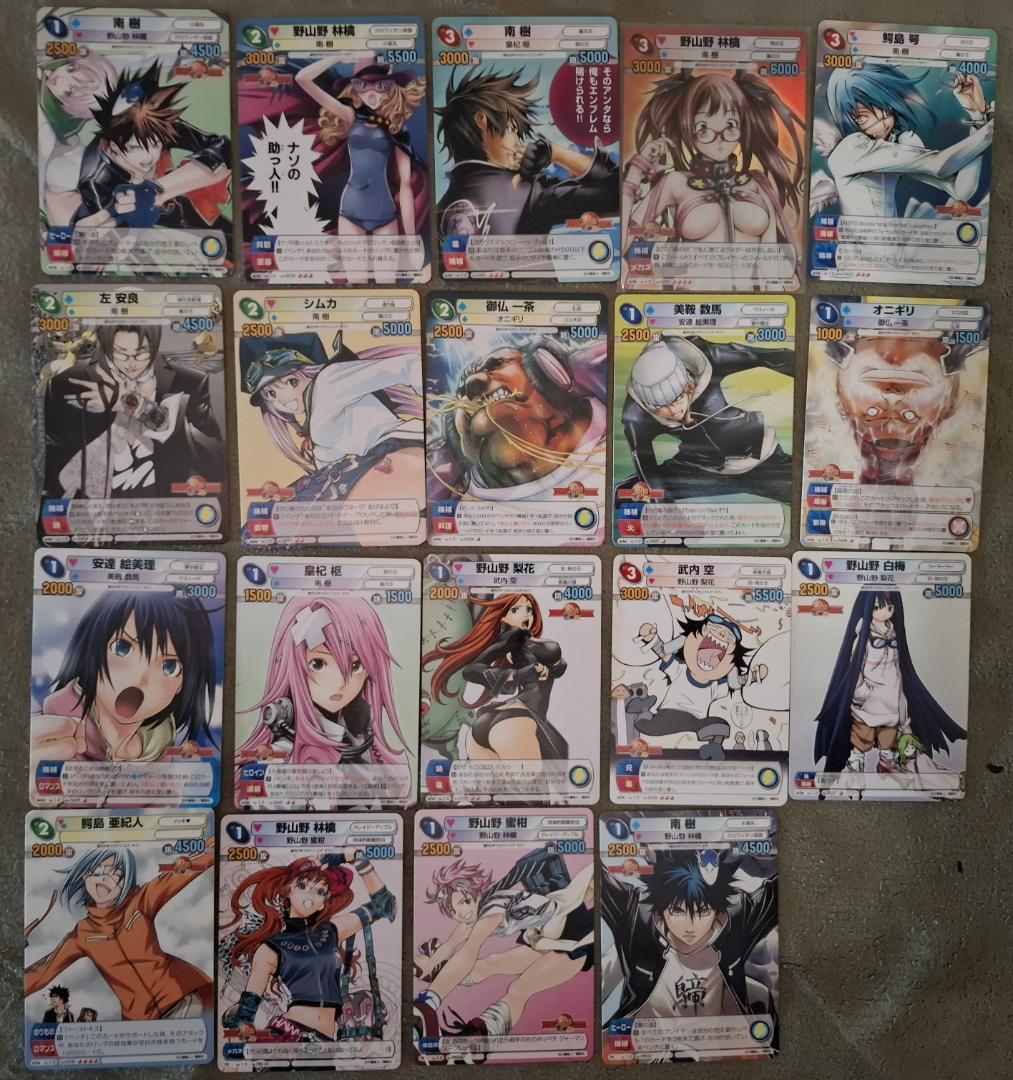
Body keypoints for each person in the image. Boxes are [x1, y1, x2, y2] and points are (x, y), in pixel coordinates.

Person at [623, 69, 804, 287]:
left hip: (749, 301)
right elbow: (622, 244)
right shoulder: (675, 183)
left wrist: (775, 301)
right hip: (691, 302)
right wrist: (636, 171)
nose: (719, 139)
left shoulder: (757, 183)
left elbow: (771, 261)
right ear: (687, 128)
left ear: (743, 127)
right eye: (703, 128)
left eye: (730, 126)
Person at [414, 846, 593, 1040]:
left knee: (521, 987)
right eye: (453, 911)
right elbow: (449, 946)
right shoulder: (471, 917)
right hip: (545, 936)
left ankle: (482, 1035)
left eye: (464, 903)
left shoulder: (492, 910)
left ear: (475, 894)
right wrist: (430, 970)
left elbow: (470, 948)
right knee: (491, 962)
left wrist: (430, 1000)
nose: (462, 914)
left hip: (574, 935)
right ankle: (443, 979)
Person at [25, 844, 214, 1020]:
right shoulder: (82, 934)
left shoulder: (140, 901)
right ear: (85, 877)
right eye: (97, 871)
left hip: (178, 997)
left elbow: (182, 872)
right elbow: (40, 973)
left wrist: (220, 846)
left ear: (126, 881)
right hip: (140, 1020)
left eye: (116, 874)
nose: (105, 877)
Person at [222, 851, 396, 1042]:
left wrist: (357, 859)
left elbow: (385, 905)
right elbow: (244, 1016)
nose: (312, 895)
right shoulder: (270, 948)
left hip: (325, 1042)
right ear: (288, 890)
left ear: (323, 903)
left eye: (320, 891)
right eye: (303, 886)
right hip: (289, 1035)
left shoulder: (332, 930)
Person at [31, 590, 218, 766]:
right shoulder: (53, 728)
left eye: (170, 667)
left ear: (182, 685)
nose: (140, 679)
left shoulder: (160, 747)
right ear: (94, 646)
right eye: (123, 647)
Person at [43, 323, 224, 501]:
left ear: (154, 346)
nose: (131, 364)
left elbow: (214, 462)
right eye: (120, 353)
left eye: (140, 353)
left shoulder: (188, 382)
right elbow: (53, 463)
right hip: (89, 507)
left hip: (164, 506)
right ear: (106, 347)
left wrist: (131, 403)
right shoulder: (67, 383)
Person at [435, 67, 618, 241]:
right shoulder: (529, 191)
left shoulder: (439, 210)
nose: (517, 142)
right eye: (512, 130)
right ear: (481, 120)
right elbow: (617, 196)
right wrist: (555, 153)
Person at [601, 849, 776, 1026]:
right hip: (647, 1035)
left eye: (703, 912)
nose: (690, 926)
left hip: (715, 1035)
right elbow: (599, 880)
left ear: (718, 912)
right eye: (677, 911)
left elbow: (775, 893)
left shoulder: (737, 918)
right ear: (660, 910)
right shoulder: (637, 916)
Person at [235, 595, 408, 771]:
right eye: (317, 664)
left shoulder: (358, 739)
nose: (340, 683)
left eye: (356, 666)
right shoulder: (279, 754)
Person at [618, 336, 793, 504]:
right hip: (699, 469)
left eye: (677, 398)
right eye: (660, 407)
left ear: (689, 383)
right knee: (627, 493)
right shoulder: (635, 417)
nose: (674, 411)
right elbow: (646, 467)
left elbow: (767, 357)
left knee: (802, 489)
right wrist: (660, 510)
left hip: (762, 460)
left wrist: (805, 374)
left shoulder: (710, 357)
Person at [813, 591, 966, 775]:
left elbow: (899, 671)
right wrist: (862, 693)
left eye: (889, 607)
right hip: (868, 701)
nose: (884, 612)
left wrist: (902, 708)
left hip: (891, 696)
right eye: (878, 607)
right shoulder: (864, 637)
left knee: (888, 736)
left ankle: (887, 762)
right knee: (863, 735)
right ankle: (856, 763)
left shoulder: (895, 634)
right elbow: (854, 670)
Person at [814, 66, 993, 219]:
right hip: (861, 248)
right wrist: (989, 130)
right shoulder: (851, 149)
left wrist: (977, 118)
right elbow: (940, 165)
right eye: (862, 117)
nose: (881, 125)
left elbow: (961, 190)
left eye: (883, 109)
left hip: (890, 247)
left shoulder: (895, 144)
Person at [75, 61, 230, 230]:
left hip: (186, 212)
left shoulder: (157, 126)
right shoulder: (97, 180)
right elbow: (90, 227)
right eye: (135, 148)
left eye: (156, 144)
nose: (149, 156)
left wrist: (156, 190)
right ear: (115, 147)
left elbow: (225, 149)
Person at [422, 593, 568, 761]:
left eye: (529, 609)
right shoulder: (515, 637)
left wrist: (548, 668)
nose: (526, 614)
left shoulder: (524, 642)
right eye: (515, 610)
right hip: (522, 716)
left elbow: (559, 667)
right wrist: (518, 675)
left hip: (505, 717)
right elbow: (471, 670)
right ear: (503, 617)